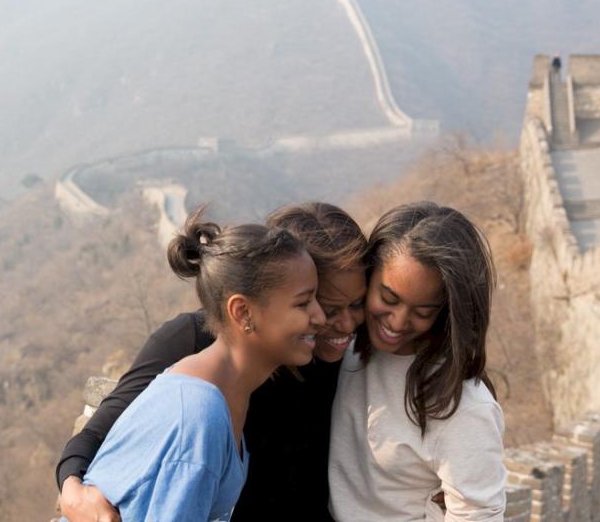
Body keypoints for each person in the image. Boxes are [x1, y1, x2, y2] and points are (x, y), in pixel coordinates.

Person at [57, 202, 368, 521]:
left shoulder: (344, 357)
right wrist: (74, 493)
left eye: (358, 304)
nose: (344, 324)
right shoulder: (196, 355)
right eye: (320, 305)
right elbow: (101, 434)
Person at [328, 202, 507, 521]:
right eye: (388, 298)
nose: (397, 322)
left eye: (423, 312)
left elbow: (478, 514)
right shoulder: (344, 346)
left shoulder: (463, 405)